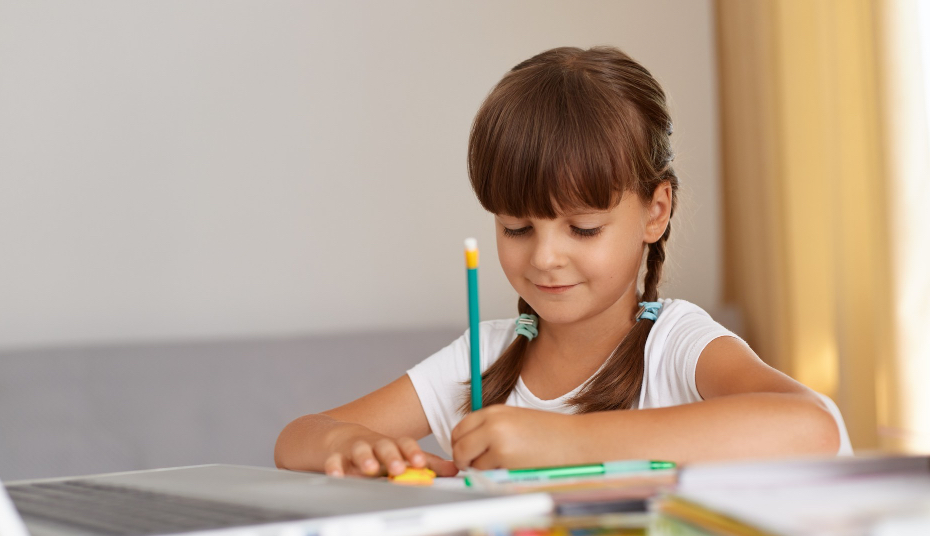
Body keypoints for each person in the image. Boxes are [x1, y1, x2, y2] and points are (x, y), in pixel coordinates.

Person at [274, 46, 841, 478]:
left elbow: (814, 427)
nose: (545, 257)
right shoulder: (483, 359)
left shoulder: (674, 344)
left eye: (583, 228)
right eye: (516, 228)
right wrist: (343, 445)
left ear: (655, 211)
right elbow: (296, 439)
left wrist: (563, 442)